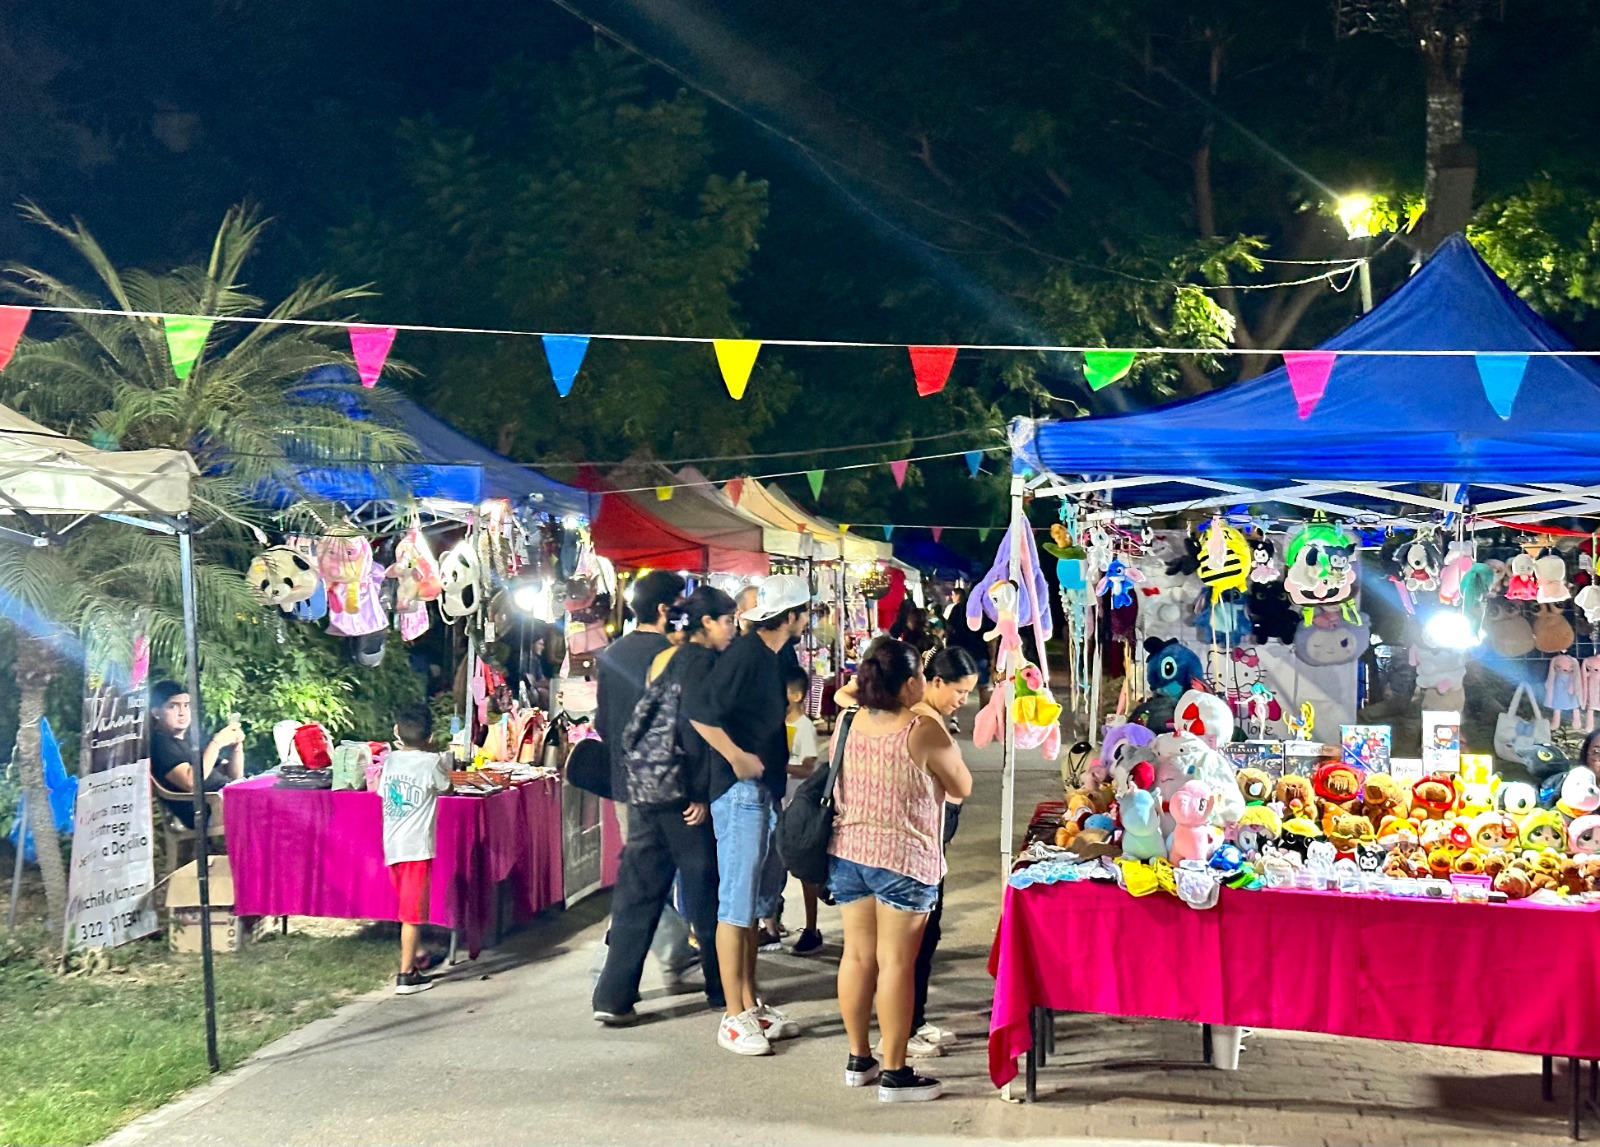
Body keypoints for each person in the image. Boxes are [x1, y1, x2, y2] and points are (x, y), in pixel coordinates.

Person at [828, 639, 971, 1102]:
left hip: (850, 854)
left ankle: (858, 1059)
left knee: (856, 957)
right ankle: (894, 1071)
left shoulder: (847, 722)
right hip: (903, 861)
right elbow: (961, 785)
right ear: (910, 683)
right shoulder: (921, 730)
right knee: (895, 964)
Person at [592, 586, 736, 1025]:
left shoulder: (661, 659)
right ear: (706, 623)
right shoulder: (700, 661)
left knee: (637, 893)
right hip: (680, 796)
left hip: (643, 789)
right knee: (704, 892)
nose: (732, 630)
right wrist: (700, 793)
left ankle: (612, 997)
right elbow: (694, 729)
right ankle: (722, 989)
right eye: (728, 621)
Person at [686, 572, 810, 1056]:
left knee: (755, 905)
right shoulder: (745, 655)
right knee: (736, 905)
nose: (808, 619)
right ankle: (733, 1015)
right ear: (791, 615)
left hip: (762, 790)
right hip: (738, 792)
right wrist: (736, 756)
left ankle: (751, 1003)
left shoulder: (773, 656)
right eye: (805, 612)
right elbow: (699, 710)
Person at [590, 571, 699, 995]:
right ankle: (676, 953)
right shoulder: (670, 656)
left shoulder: (612, 654)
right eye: (679, 605)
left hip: (624, 780)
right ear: (663, 608)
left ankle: (634, 970)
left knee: (641, 872)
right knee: (665, 874)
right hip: (669, 781)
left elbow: (602, 722)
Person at [906, 647, 979, 1058]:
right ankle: (903, 1028)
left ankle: (914, 1020)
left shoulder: (930, 718)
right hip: (920, 841)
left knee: (926, 936)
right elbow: (960, 784)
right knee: (917, 939)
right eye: (959, 691)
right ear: (935, 682)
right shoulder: (923, 721)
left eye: (968, 693)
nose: (963, 700)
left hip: (932, 837)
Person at [380, 703, 452, 995]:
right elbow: (446, 787)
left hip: (392, 845)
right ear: (431, 736)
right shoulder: (431, 762)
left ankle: (419, 953)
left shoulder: (390, 761)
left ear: (396, 731)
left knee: (406, 905)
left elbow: (382, 792)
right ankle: (406, 975)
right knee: (412, 914)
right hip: (416, 849)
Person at [755, 667, 822, 954]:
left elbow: (807, 768)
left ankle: (804, 927)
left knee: (793, 868)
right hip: (777, 805)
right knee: (770, 866)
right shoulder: (775, 724)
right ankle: (771, 923)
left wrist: (774, 764)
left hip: (796, 809)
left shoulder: (804, 727)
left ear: (795, 695)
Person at [148, 680, 244, 829]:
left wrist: (236, 746)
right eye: (173, 706)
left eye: (186, 705)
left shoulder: (192, 739)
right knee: (272, 800)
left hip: (229, 795)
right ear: (156, 712)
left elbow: (234, 774)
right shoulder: (161, 744)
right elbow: (191, 782)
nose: (182, 712)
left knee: (278, 787)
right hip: (208, 809)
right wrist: (216, 743)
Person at [942, 586, 991, 723]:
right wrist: (993, 658)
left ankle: (954, 719)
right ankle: (982, 723)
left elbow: (949, 629)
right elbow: (990, 636)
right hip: (979, 652)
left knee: (958, 687)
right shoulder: (984, 611)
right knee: (983, 687)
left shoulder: (957, 608)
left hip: (960, 652)